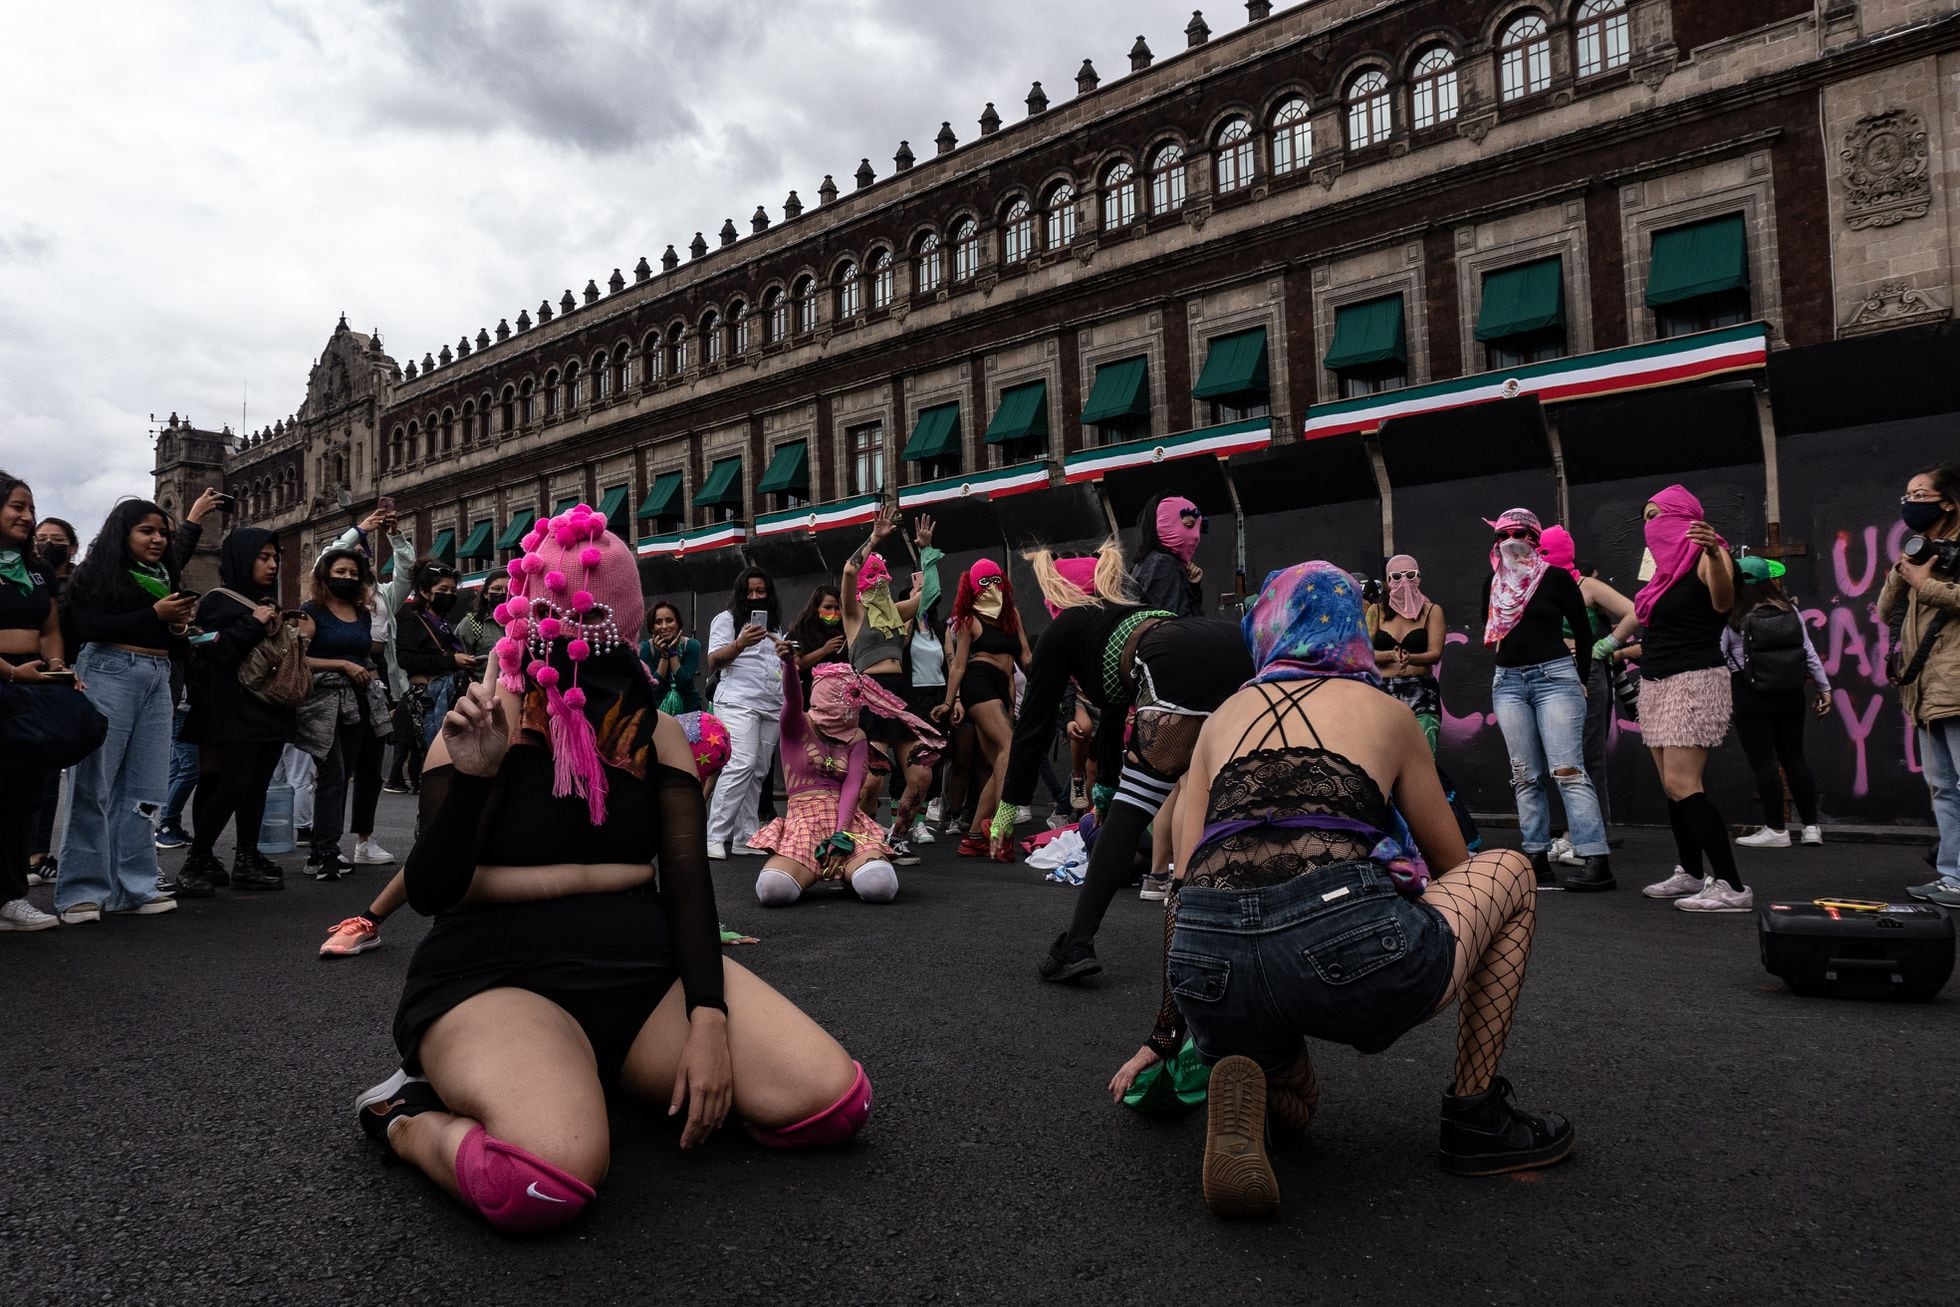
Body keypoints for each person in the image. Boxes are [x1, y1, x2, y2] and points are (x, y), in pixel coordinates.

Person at [358, 505, 870, 1235]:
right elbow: (435, 890)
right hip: (494, 976)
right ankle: (406, 1113)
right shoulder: (484, 717)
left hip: (640, 972)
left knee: (833, 1101)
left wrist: (707, 1017)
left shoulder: (656, 730)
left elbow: (686, 884)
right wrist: (474, 776)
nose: (578, 649)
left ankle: (598, 1076)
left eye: (596, 623)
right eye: (560, 621)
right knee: (544, 1182)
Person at [1106, 561, 1570, 1218]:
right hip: (1340, 940)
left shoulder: (1219, 722)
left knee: (1299, 1097)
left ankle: (1257, 1092)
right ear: (1353, 628)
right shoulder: (1386, 710)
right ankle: (1475, 1114)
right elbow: (1452, 865)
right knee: (1509, 873)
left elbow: (1182, 895)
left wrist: (1163, 1035)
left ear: (1264, 627)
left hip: (1211, 966)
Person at [1001, 540, 1253, 982]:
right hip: (1236, 646)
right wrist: (1104, 789)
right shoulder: (1128, 614)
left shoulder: (1065, 630)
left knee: (1130, 814)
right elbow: (1117, 708)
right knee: (1241, 793)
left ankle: (1076, 943)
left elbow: (1034, 720)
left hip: (1169, 668)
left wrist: (1010, 805)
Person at [54, 488, 225, 923]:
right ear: (121, 534)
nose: (158, 540)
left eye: (162, 533)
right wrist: (155, 615)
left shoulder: (163, 575)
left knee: (146, 788)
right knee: (95, 784)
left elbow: (180, 550)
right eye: (145, 531)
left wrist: (193, 518)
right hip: (109, 670)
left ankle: (136, 884)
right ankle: (82, 891)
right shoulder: (98, 574)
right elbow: (87, 626)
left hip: (158, 675)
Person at [1479, 509, 1613, 893]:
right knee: (1524, 773)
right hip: (1508, 682)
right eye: (1503, 534)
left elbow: (1585, 634)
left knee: (1568, 769)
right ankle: (1535, 856)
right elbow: (1492, 629)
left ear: (1535, 538)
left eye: (1520, 533)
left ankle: (1595, 857)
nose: (1511, 540)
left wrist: (1582, 677)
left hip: (1555, 677)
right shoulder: (1493, 581)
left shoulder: (1554, 578)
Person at [1630, 486, 1749, 912]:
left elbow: (1723, 603)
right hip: (1657, 680)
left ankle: (1732, 886)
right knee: (1671, 786)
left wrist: (1716, 555)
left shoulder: (1707, 554)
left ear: (1683, 516)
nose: (1650, 525)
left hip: (1693, 679)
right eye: (1645, 517)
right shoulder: (1663, 573)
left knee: (1684, 783)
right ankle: (1691, 872)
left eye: (1657, 514)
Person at [750, 655, 942, 906]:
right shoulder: (797, 726)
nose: (849, 704)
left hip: (848, 824)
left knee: (880, 886)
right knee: (772, 890)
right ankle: (812, 870)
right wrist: (788, 666)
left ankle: (850, 873)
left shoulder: (857, 737)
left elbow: (852, 787)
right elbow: (792, 699)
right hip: (803, 826)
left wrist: (840, 837)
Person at [176, 526, 296, 895]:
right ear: (242, 559)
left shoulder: (266, 601)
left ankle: (246, 856)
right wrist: (253, 623)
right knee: (232, 782)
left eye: (275, 557)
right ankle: (197, 860)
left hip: (267, 707)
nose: (272, 565)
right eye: (263, 557)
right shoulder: (219, 601)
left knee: (257, 785)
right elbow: (208, 648)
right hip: (229, 708)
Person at [841, 509, 942, 863]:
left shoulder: (895, 612)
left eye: (883, 577)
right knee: (871, 781)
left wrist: (926, 551)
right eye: (876, 578)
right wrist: (875, 538)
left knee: (921, 776)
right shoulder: (853, 616)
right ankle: (863, 845)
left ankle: (895, 840)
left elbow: (927, 596)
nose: (880, 582)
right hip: (869, 696)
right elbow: (850, 570)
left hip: (901, 696)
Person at [1880, 463, 1960, 908]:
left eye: (1920, 495)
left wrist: (1927, 584)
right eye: (1907, 495)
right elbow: (1882, 610)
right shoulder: (1925, 550)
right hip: (1926, 690)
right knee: (1944, 789)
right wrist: (1904, 569)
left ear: (1948, 500)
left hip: (1957, 684)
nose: (1910, 503)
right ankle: (1953, 877)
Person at [1537, 526, 1641, 848]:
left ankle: (1588, 833)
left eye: (1543, 550)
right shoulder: (1536, 585)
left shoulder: (1587, 585)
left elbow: (1635, 612)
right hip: (1548, 673)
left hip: (1588, 674)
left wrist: (1603, 646)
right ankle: (1566, 831)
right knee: (1555, 755)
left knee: (1587, 753)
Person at [298, 548, 395, 880]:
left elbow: (363, 653)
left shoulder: (361, 613)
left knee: (345, 775)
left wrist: (367, 670)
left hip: (358, 701)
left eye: (353, 573)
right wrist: (340, 663)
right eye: (340, 572)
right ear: (325, 575)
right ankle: (322, 851)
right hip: (323, 703)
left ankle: (327, 848)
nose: (347, 578)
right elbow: (298, 658)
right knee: (332, 774)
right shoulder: (311, 612)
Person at [0, 471, 70, 932]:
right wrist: (8, 671)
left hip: (30, 683)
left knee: (21, 793)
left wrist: (58, 665)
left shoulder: (35, 569)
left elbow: (49, 628)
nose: (27, 517)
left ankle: (9, 898)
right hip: (7, 674)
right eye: (16, 507)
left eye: (30, 508)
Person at [1723, 556, 1830, 848]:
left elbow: (1720, 656)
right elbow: (1808, 652)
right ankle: (1811, 828)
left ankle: (1776, 830)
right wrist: (1825, 689)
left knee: (1763, 762)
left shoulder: (1732, 614)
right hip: (1791, 692)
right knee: (1794, 757)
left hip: (1750, 693)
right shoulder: (1789, 609)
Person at [939, 559, 1032, 858]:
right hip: (978, 685)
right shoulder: (969, 620)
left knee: (998, 763)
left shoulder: (1011, 615)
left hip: (1003, 688)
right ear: (973, 587)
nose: (992, 587)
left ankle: (975, 836)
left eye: (996, 580)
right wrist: (949, 700)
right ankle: (1003, 826)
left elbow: (1026, 658)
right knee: (1011, 748)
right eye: (985, 582)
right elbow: (958, 665)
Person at [704, 568, 785, 860]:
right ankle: (715, 835)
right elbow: (713, 660)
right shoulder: (726, 620)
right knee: (741, 764)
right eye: (748, 592)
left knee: (759, 771)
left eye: (760, 592)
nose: (754, 597)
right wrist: (740, 643)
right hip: (738, 701)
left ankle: (746, 836)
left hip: (771, 703)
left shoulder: (774, 626)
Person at [25, 514, 80, 888]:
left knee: (51, 778)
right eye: (41, 537)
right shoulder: (23, 578)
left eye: (56, 538)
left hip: (67, 682)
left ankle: (46, 854)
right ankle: (31, 855)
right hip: (25, 677)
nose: (48, 543)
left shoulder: (84, 584)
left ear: (72, 546)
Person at [396, 559, 477, 757]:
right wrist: (452, 661)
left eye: (453, 590)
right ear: (425, 592)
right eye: (443, 589)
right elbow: (406, 659)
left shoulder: (442, 621)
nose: (449, 594)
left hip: (449, 694)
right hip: (427, 698)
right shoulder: (411, 617)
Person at [1372, 553, 1446, 752]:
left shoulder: (1432, 611)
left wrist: (1411, 658)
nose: (1404, 581)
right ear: (1387, 582)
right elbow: (1364, 653)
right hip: (1384, 695)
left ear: (1419, 577)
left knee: (1423, 758)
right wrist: (1390, 655)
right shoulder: (1376, 612)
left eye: (1410, 575)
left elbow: (1435, 653)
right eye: (1396, 577)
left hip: (1422, 694)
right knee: (1387, 761)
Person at [1130, 495, 1206, 617]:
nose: (1196, 536)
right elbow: (1173, 622)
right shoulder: (1162, 564)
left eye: (1200, 529)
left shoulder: (1147, 562)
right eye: (1188, 525)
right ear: (1164, 524)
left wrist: (1192, 587)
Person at [784, 585, 848, 690]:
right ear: (816, 608)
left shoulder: (847, 630)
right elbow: (795, 665)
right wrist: (824, 651)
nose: (833, 612)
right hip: (810, 692)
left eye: (837, 608)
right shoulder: (800, 631)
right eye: (827, 607)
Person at [454, 574, 508, 663]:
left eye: (508, 590)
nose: (503, 593)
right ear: (486, 594)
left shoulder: (525, 622)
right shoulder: (472, 622)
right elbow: (460, 660)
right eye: (497, 589)